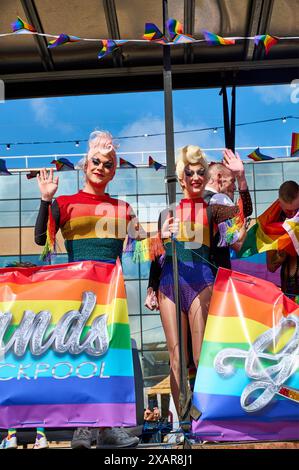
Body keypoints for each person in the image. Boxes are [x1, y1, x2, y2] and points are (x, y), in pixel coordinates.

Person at [34, 130, 140, 449]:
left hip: (111, 293)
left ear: (114, 170)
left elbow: (148, 243)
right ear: (85, 164)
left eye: (108, 164)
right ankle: (82, 427)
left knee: (109, 357)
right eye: (96, 161)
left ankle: (107, 428)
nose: (100, 168)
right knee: (82, 357)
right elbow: (42, 239)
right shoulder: (64, 203)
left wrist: (170, 229)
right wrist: (46, 199)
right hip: (77, 293)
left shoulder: (122, 209)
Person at [149, 145, 249, 413]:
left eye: (200, 172)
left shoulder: (212, 208)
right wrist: (150, 287)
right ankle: (182, 420)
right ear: (182, 178)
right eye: (190, 172)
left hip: (201, 283)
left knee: (201, 355)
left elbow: (242, 217)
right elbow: (156, 256)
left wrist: (241, 178)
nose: (195, 177)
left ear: (206, 178)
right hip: (169, 285)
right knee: (176, 357)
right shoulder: (166, 212)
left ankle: (205, 415)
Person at [145, 149, 252, 308]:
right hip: (209, 281)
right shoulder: (218, 200)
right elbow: (242, 219)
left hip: (180, 283)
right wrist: (242, 177)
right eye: (232, 182)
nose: (233, 187)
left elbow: (159, 254)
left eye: (200, 173)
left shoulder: (174, 211)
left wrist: (151, 287)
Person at [267, 181, 299, 300]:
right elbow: (271, 267)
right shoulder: (273, 221)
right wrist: (283, 252)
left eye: (296, 209)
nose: (293, 214)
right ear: (279, 203)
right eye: (288, 210)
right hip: (289, 282)